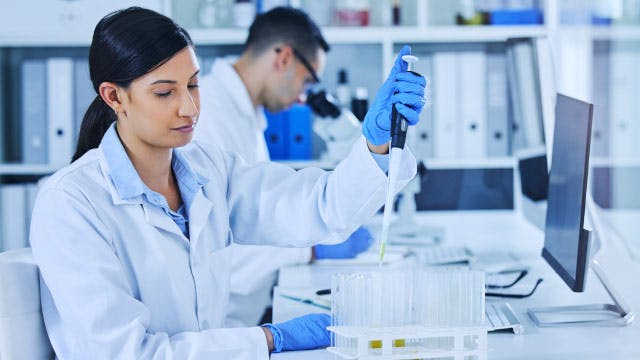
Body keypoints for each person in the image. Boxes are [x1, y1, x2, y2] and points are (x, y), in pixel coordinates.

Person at [29, 6, 426, 359]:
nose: (189, 107)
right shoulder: (71, 204)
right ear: (114, 97)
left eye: (193, 84)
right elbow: (125, 353)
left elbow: (320, 207)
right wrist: (268, 340)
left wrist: (376, 144)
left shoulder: (207, 170)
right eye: (165, 92)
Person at [194, 7, 374, 327]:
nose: (304, 98)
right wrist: (312, 250)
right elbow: (214, 245)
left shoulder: (246, 117)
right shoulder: (206, 116)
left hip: (243, 317)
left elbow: (262, 213)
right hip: (218, 328)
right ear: (284, 59)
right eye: (307, 81)